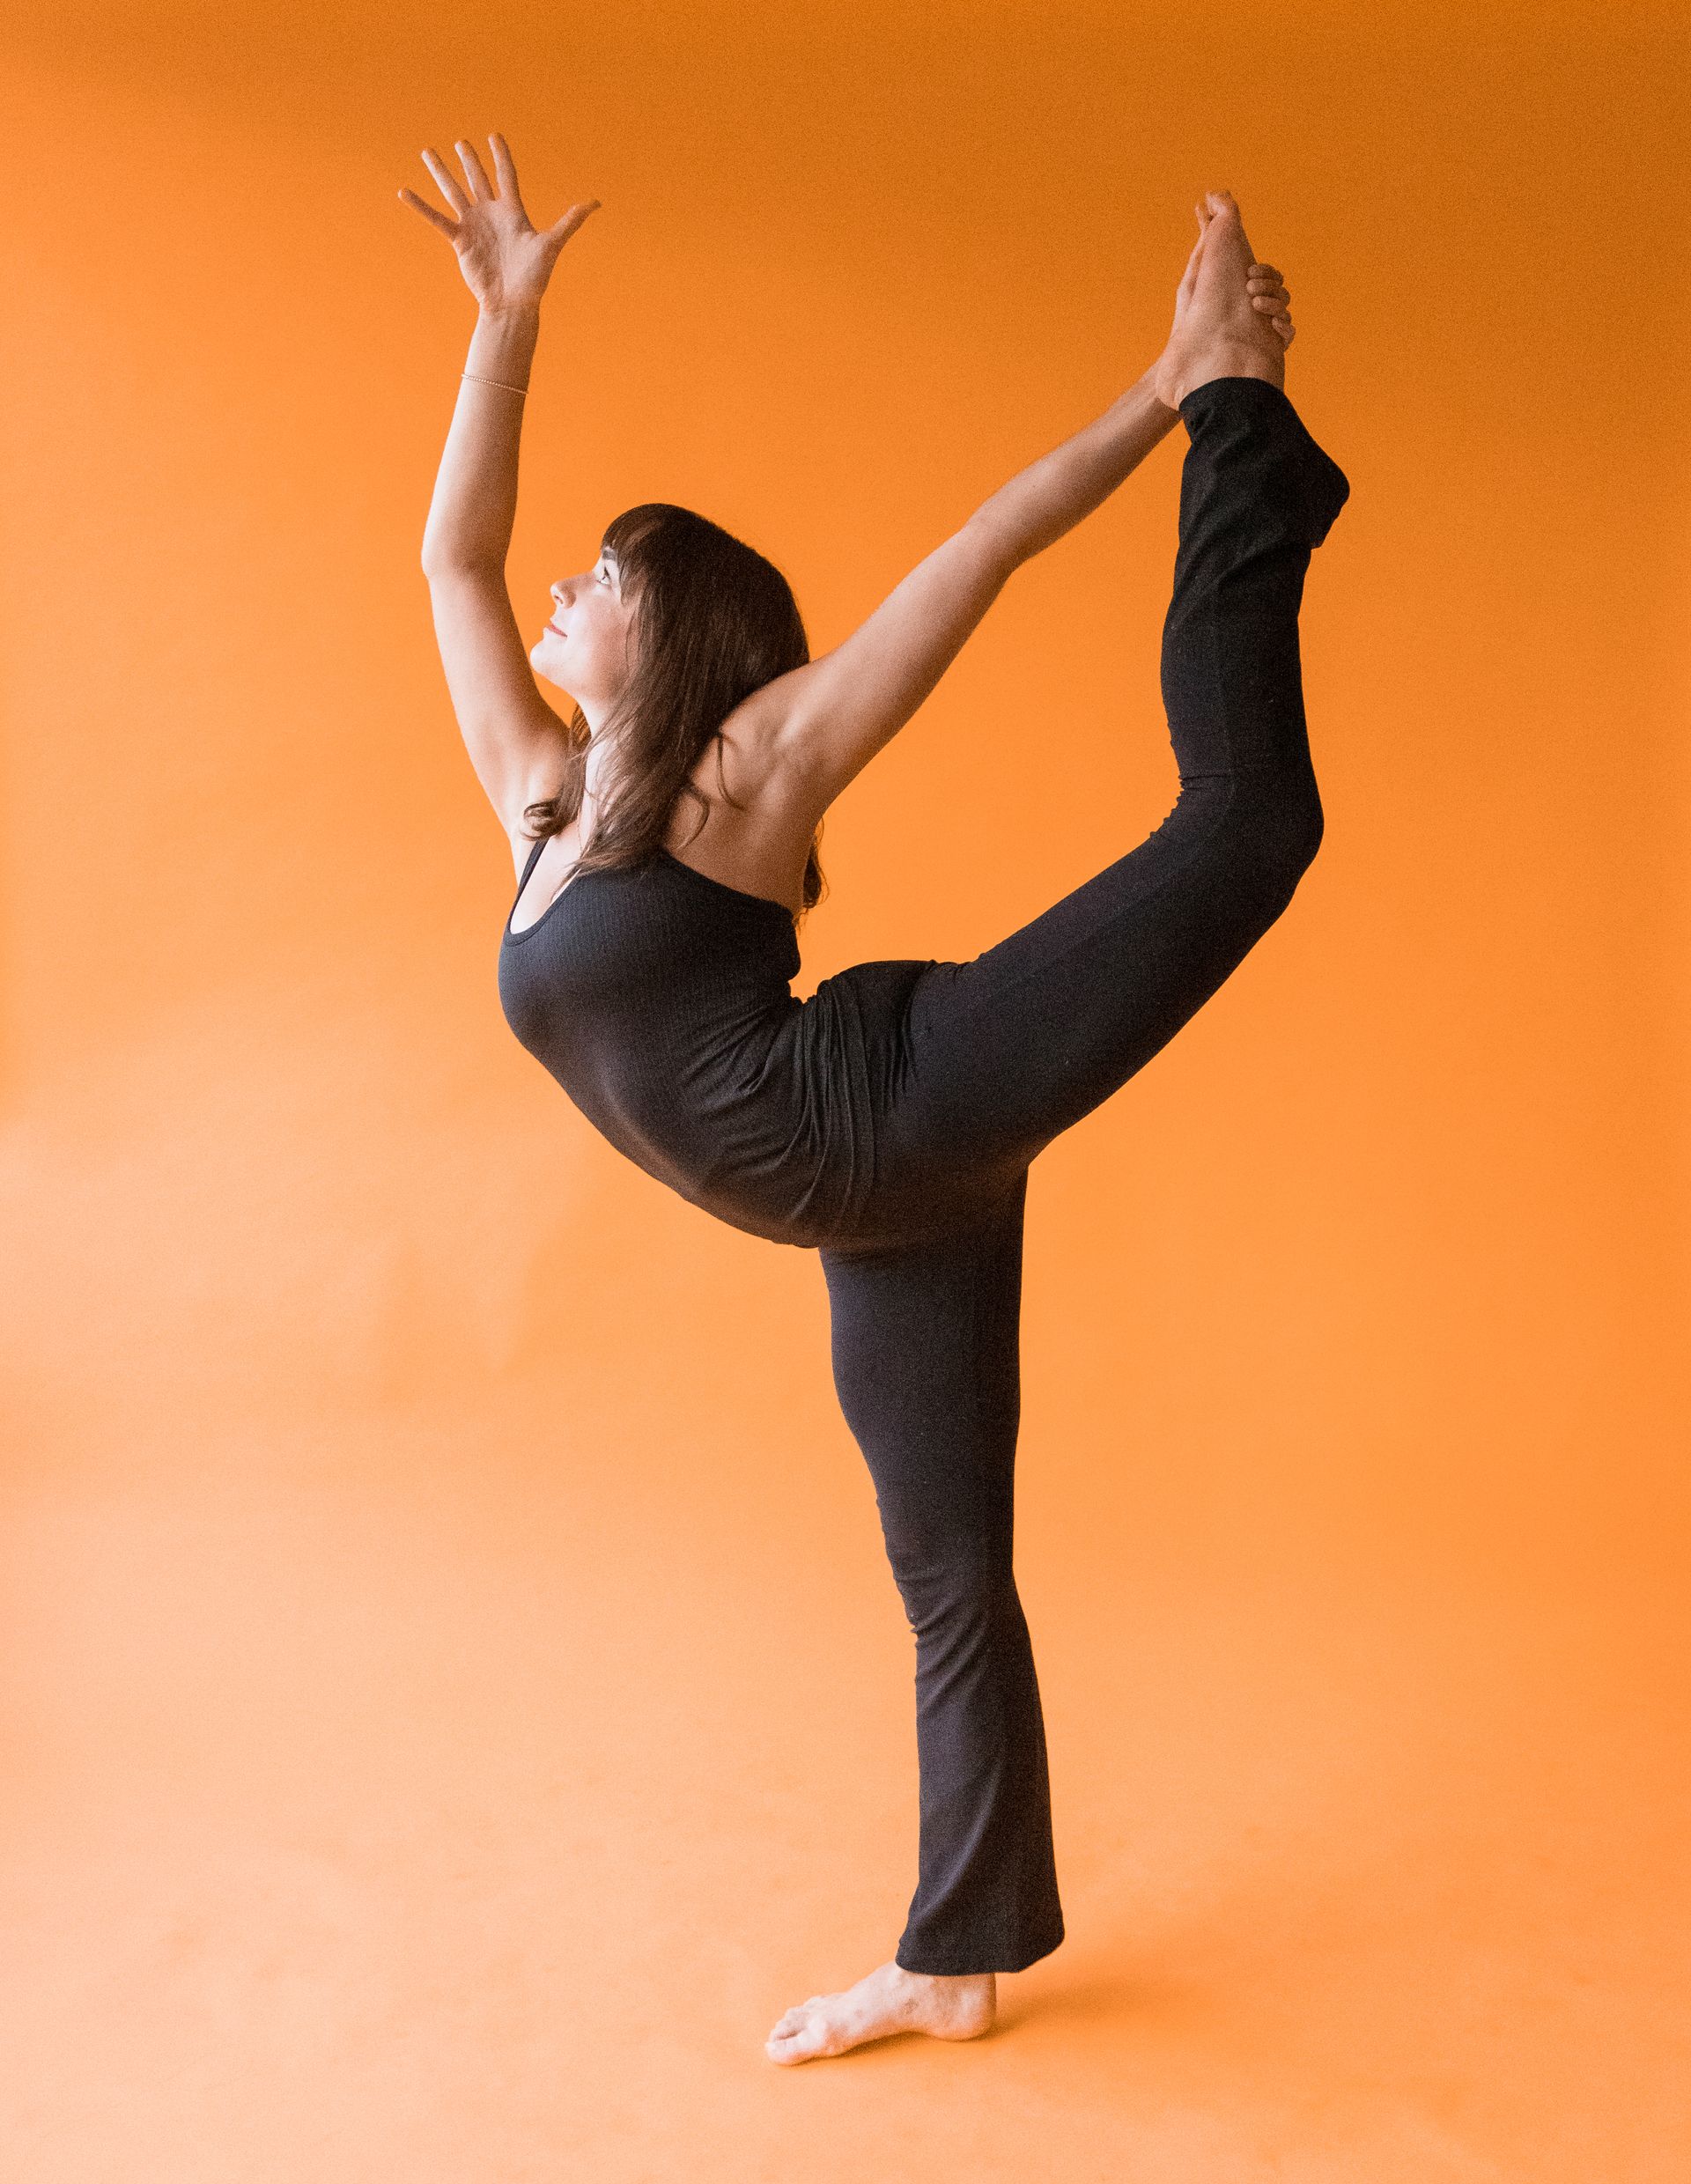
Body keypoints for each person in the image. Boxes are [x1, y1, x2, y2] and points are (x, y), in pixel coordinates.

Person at [401, 136, 1349, 2067]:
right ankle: (958, 1952)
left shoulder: (751, 772)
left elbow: (980, 550)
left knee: (1251, 820)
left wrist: (1166, 397)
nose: (565, 587)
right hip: (874, 1207)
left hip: (897, 1098)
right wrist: (504, 326)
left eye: (609, 575)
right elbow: (453, 560)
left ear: (674, 638)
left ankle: (1252, 431)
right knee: (948, 1571)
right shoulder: (537, 801)